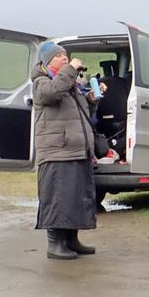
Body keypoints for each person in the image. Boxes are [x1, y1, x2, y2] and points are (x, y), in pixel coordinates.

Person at [32, 42, 99, 260]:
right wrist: (70, 71)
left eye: (65, 55)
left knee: (75, 198)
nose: (65, 58)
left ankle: (71, 240)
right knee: (58, 198)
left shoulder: (69, 81)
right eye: (59, 56)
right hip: (56, 151)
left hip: (76, 149)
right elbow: (51, 94)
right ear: (47, 61)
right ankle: (55, 244)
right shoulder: (41, 82)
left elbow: (78, 112)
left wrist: (91, 99)